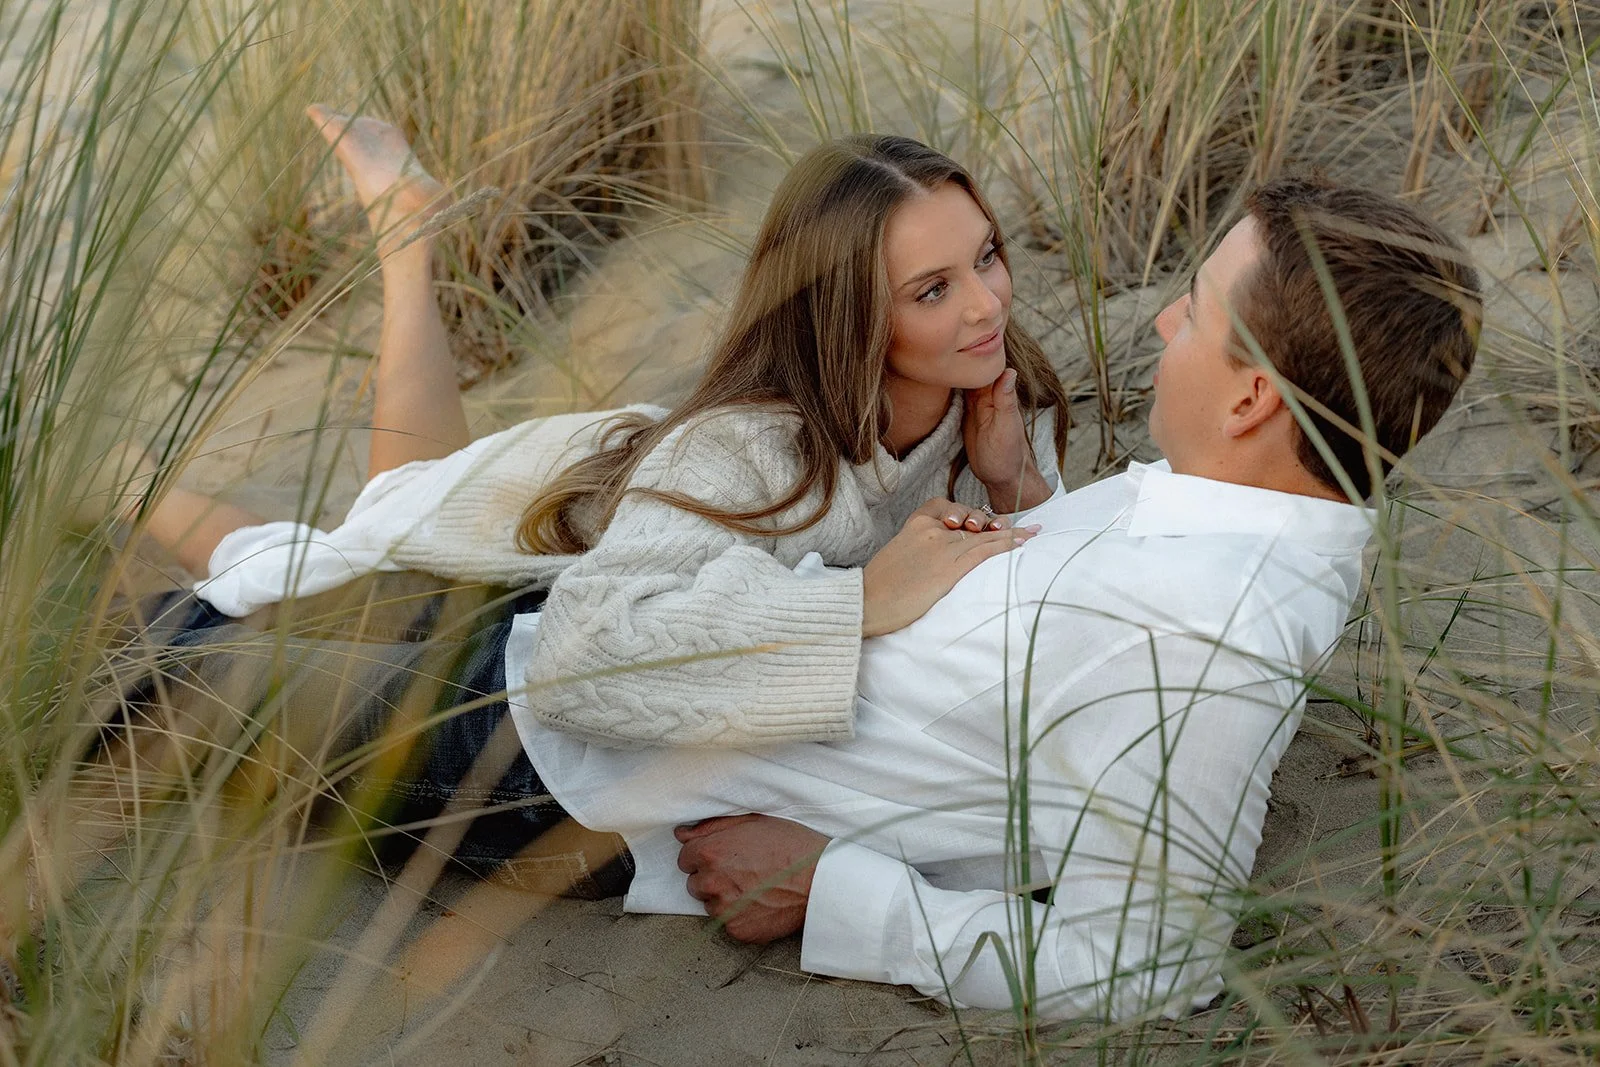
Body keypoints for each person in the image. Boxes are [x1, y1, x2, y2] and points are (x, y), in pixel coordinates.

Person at [585, 176, 1478, 1019]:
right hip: (612, 684)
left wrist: (830, 882)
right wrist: (1023, 498)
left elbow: (1147, 969)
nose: (1167, 321)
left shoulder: (1209, 630)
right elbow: (1043, 669)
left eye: (1197, 309)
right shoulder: (1217, 521)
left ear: (1250, 398)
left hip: (578, 783)